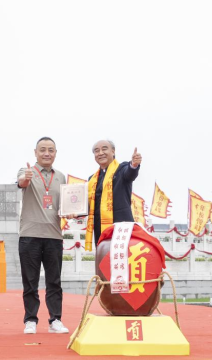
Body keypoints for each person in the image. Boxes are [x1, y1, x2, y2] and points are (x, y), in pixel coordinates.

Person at [17, 137, 73, 335]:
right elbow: (21, 183)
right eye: (42, 150)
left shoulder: (60, 177)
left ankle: (55, 320)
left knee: (54, 281)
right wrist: (27, 178)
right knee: (30, 282)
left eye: (50, 150)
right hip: (29, 235)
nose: (46, 153)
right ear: (35, 152)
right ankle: (30, 320)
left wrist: (72, 211)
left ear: (55, 153)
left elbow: (64, 205)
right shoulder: (26, 171)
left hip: (54, 236)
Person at [85, 140, 142, 251]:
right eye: (96, 151)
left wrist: (134, 165)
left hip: (121, 228)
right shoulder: (92, 179)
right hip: (100, 229)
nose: (100, 153)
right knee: (103, 264)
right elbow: (88, 206)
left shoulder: (121, 169)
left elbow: (129, 173)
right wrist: (74, 212)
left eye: (104, 149)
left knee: (122, 263)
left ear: (113, 151)